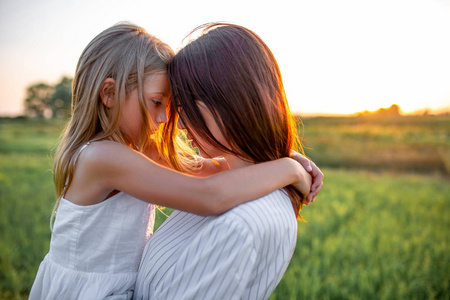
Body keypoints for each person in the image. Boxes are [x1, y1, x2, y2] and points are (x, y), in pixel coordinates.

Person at [29, 23, 319, 300]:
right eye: (157, 102)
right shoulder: (102, 157)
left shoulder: (138, 150)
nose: (165, 118)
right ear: (109, 94)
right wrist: (289, 169)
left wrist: (286, 155)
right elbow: (211, 196)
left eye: (168, 106)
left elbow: (217, 168)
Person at [134, 23, 318, 300]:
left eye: (185, 108)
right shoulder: (232, 181)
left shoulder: (238, 225)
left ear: (230, 101)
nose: (180, 124)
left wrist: (289, 166)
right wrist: (289, 164)